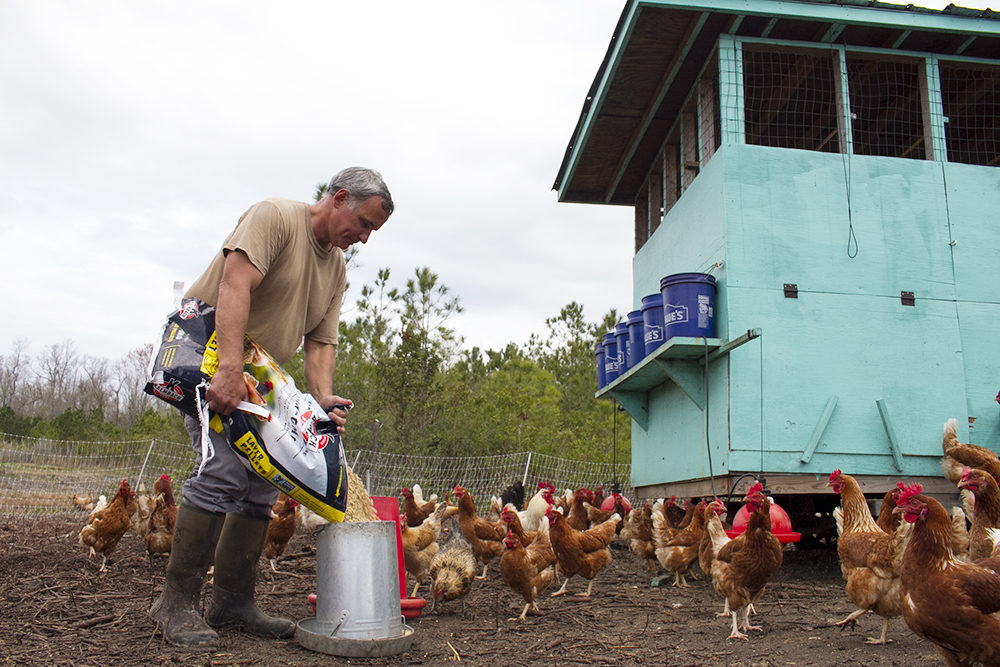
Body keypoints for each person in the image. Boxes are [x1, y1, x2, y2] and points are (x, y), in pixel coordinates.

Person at [150, 167, 394, 647]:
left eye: (371, 232)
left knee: (265, 480)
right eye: (363, 224)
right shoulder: (275, 217)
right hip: (210, 346)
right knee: (222, 469)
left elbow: (321, 340)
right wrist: (226, 370)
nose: (363, 238)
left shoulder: (337, 267)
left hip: (261, 371)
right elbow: (233, 285)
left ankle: (232, 601)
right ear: (339, 197)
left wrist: (322, 398)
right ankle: (174, 604)